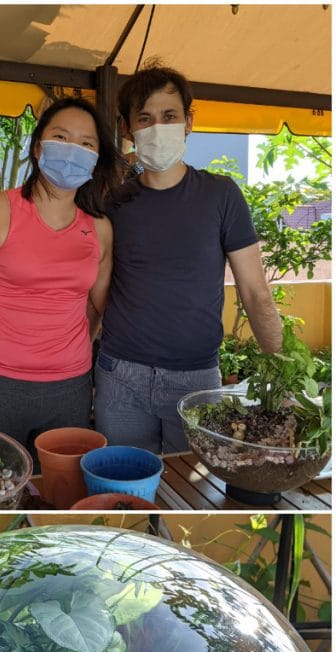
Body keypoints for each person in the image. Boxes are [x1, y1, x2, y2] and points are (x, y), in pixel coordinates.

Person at [95, 62, 282, 453]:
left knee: (193, 499)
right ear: (127, 129)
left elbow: (255, 292)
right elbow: (95, 284)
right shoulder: (113, 200)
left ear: (188, 123)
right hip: (120, 375)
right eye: (144, 118)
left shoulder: (221, 195)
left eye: (169, 116)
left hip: (196, 380)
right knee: (124, 493)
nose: (157, 127)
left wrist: (280, 371)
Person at [0, 96, 121, 463]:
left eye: (86, 144)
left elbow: (99, 306)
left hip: (70, 390)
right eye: (61, 137)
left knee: (58, 492)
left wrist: (70, 349)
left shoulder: (100, 228)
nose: (73, 150)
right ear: (39, 146)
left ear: (96, 158)